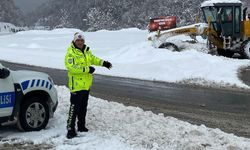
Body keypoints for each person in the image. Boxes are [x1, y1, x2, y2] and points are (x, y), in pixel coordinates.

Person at [65, 32, 112, 139]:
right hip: (76, 86)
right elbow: (72, 68)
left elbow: (93, 59)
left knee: (83, 107)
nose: (80, 42)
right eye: (78, 40)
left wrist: (104, 63)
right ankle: (70, 129)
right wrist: (87, 69)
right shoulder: (70, 53)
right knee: (74, 108)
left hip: (86, 85)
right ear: (74, 41)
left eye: (82, 41)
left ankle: (81, 126)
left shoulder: (86, 51)